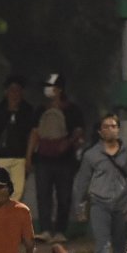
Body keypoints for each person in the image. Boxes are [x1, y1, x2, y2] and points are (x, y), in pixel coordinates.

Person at [73, 113, 127, 253]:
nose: (111, 130)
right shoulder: (91, 155)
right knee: (102, 242)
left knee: (120, 244)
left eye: (114, 126)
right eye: (106, 127)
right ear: (100, 131)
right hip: (99, 202)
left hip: (123, 204)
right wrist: (79, 206)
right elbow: (82, 182)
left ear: (118, 129)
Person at [28, 73, 84, 242]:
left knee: (64, 195)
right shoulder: (40, 109)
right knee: (43, 195)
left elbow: (79, 131)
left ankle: (60, 231)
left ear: (59, 89)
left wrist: (67, 143)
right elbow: (35, 133)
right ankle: (45, 230)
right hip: (43, 158)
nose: (47, 90)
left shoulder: (72, 109)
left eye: (50, 86)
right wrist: (29, 156)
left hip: (64, 160)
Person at [0, 75, 37, 202]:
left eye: (18, 90)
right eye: (12, 90)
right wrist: (10, 111)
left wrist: (29, 157)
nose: (15, 94)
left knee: (17, 192)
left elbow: (32, 133)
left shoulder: (27, 110)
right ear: (6, 92)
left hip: (19, 157)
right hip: (1, 155)